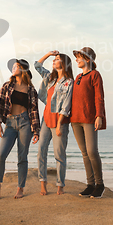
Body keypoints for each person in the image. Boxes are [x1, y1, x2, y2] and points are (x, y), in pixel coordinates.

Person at [0, 59, 40, 200]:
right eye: (13, 66)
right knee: (1, 155)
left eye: (17, 66)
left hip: (26, 123)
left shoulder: (31, 90)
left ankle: (20, 188)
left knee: (22, 157)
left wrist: (36, 131)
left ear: (24, 69)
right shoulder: (7, 86)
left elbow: (34, 110)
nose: (13, 68)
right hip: (10, 123)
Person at [34, 51, 74, 195]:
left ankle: (60, 185)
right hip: (46, 119)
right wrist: (49, 54)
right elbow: (37, 65)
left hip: (60, 122)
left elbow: (66, 106)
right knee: (41, 153)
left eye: (57, 59)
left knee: (59, 154)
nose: (54, 61)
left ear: (63, 63)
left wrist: (58, 125)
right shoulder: (50, 78)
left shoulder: (69, 82)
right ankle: (42, 183)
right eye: (54, 59)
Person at [70, 47, 106, 199]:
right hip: (75, 120)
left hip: (89, 118)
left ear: (89, 59)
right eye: (76, 57)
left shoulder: (95, 75)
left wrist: (99, 116)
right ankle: (90, 184)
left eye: (79, 57)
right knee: (84, 153)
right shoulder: (78, 77)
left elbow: (99, 97)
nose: (77, 59)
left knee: (92, 151)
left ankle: (99, 184)